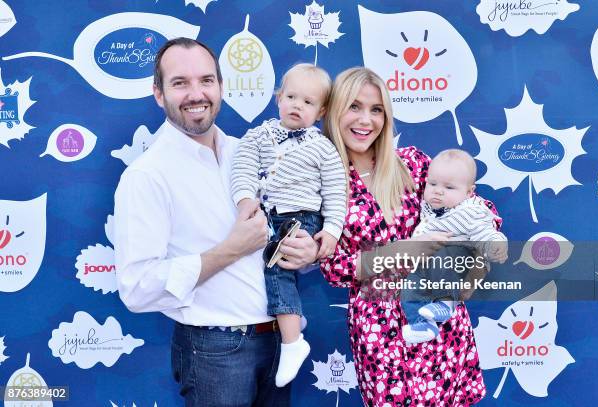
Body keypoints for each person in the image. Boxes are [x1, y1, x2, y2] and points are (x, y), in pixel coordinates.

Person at [113, 37, 318, 407]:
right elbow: (137, 287)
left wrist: (306, 250)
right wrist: (228, 251)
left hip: (280, 342)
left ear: (221, 86)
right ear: (158, 94)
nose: (197, 93)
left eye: (206, 80)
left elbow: (288, 225)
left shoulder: (249, 152)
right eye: (180, 83)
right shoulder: (147, 176)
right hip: (215, 352)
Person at [321, 67, 491, 406]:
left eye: (376, 109)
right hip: (378, 330)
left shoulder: (412, 165)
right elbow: (334, 267)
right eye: (354, 106)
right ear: (333, 110)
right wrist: (403, 250)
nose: (365, 120)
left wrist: (477, 264)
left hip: (437, 318)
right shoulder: (323, 185)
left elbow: (477, 207)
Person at [230, 63, 346, 387]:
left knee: (277, 268)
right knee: (254, 264)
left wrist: (333, 230)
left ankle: (293, 343)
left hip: (302, 216)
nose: (297, 105)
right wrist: (244, 200)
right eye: (291, 96)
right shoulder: (259, 136)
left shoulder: (323, 148)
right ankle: (289, 318)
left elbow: (337, 192)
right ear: (278, 98)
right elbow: (242, 168)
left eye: (308, 102)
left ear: (321, 111)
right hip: (267, 213)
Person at [400, 149, 508, 343]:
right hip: (424, 267)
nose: (438, 191)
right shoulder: (430, 206)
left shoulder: (470, 211)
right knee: (410, 287)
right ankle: (423, 325)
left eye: (449, 188)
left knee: (446, 256)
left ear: (469, 192)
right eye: (432, 184)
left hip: (455, 265)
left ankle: (447, 302)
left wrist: (495, 244)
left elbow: (485, 232)